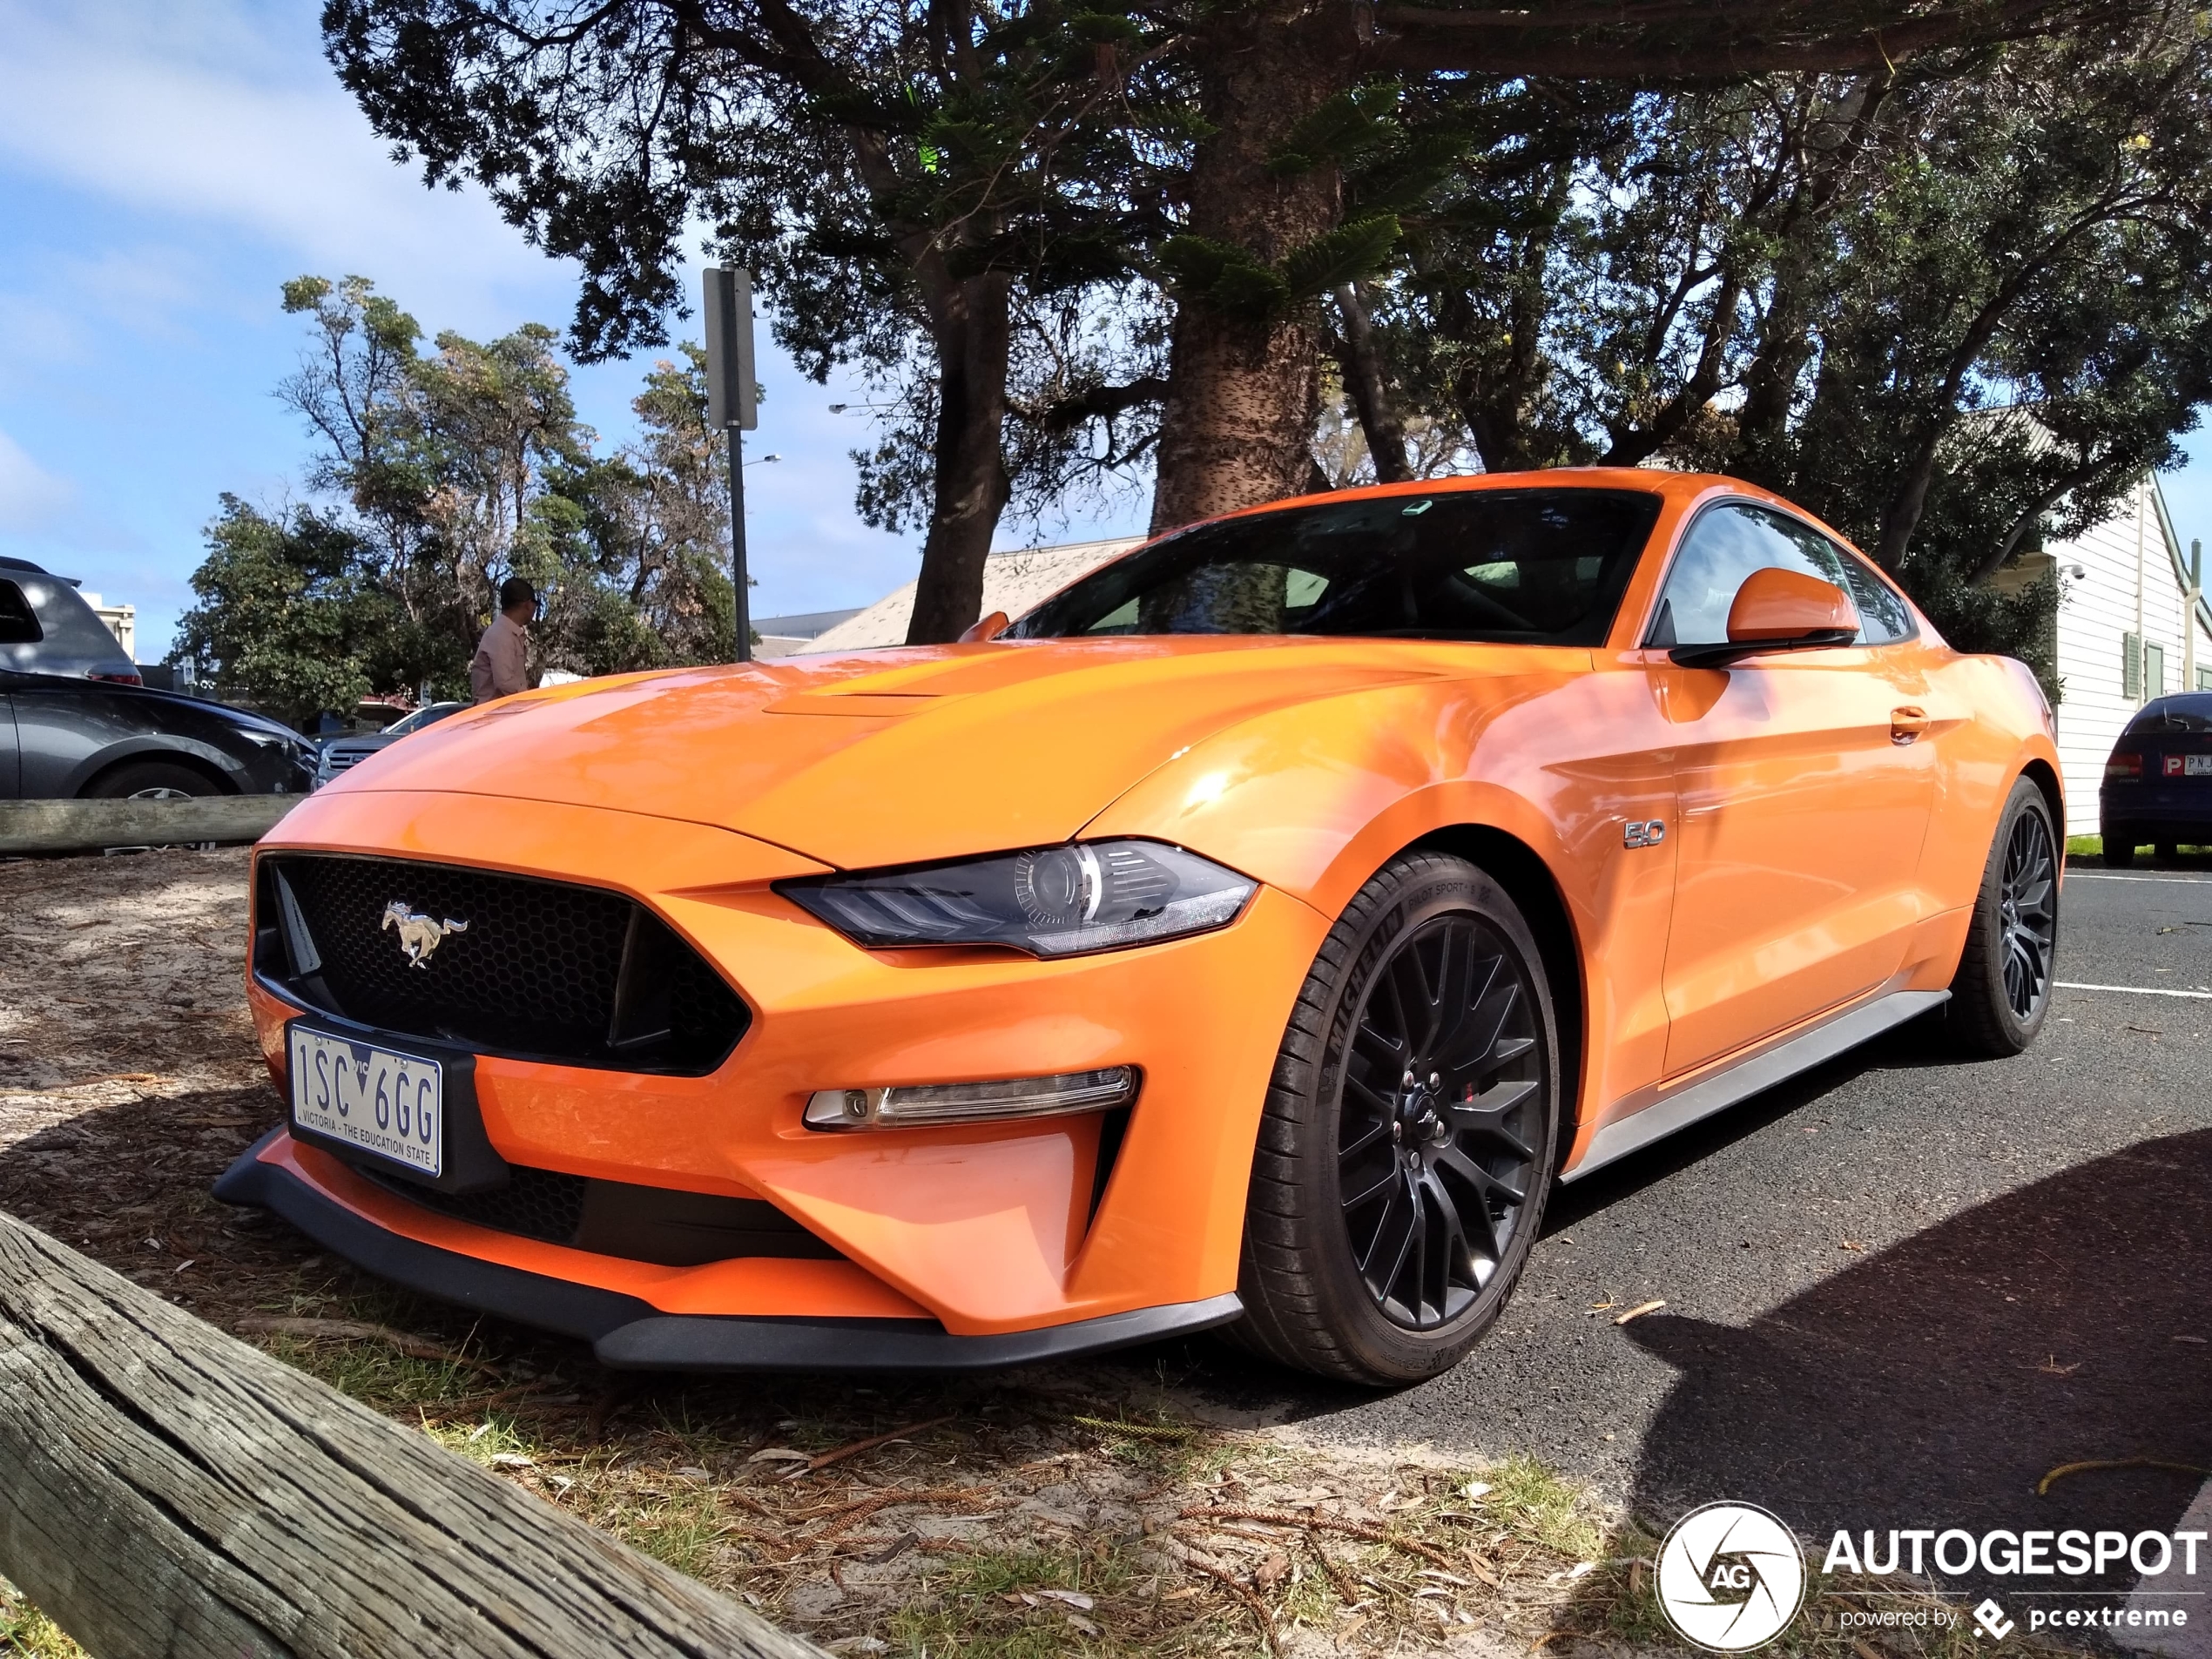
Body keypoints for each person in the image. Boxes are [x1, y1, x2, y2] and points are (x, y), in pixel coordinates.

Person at [469, 577, 536, 702]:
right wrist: (531, 698)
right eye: (535, 603)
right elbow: (505, 683)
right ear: (528, 604)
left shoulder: (508, 632)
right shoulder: (501, 634)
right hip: (493, 715)